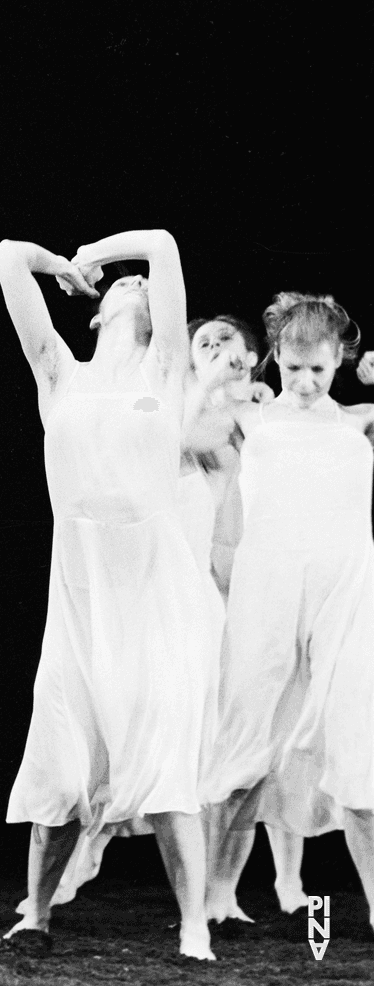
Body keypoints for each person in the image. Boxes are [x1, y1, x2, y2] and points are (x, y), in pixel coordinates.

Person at [0, 227, 219, 961]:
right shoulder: (60, 374)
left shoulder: (166, 368)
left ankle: (193, 928)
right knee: (63, 755)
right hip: (80, 583)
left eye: (143, 285)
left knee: (161, 763)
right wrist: (61, 266)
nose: (136, 284)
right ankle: (35, 913)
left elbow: (160, 243)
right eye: (122, 285)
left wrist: (95, 255)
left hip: (152, 585)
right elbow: (6, 257)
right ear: (91, 311)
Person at [16, 315, 276, 918]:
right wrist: (212, 385)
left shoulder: (256, 413)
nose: (208, 346)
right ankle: (82, 856)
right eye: (201, 340)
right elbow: (172, 444)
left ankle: (218, 894)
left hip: (223, 594)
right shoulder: (171, 406)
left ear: (252, 354)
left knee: (215, 753)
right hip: (156, 595)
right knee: (136, 734)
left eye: (223, 341)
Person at [197, 293, 374, 936]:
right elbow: (181, 434)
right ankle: (216, 895)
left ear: (338, 363)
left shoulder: (359, 421)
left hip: (345, 591)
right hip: (267, 585)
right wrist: (221, 378)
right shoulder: (252, 420)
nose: (303, 382)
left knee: (356, 743)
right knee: (246, 738)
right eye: (293, 368)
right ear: (277, 359)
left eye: (318, 370)